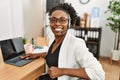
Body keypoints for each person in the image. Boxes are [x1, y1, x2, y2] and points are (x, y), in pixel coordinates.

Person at [21, 3, 105, 80]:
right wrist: (36, 54)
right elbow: (57, 54)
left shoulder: (76, 44)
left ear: (69, 23)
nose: (57, 23)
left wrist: (62, 71)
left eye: (62, 20)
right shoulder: (53, 40)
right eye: (53, 20)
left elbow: (99, 74)